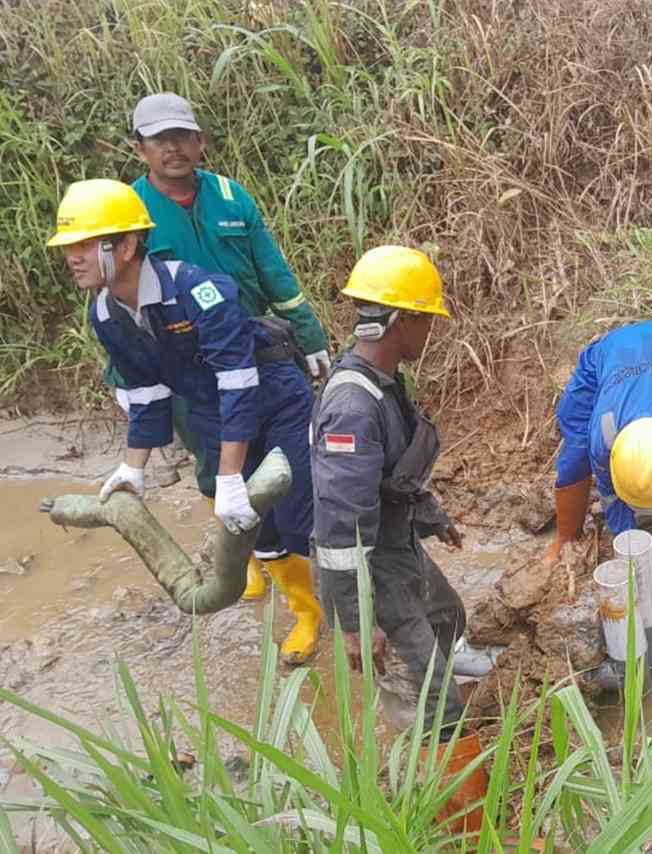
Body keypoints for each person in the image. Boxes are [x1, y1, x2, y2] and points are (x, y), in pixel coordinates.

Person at [47, 179, 319, 664]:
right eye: (70, 246)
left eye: (86, 243)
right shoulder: (107, 313)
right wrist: (133, 469)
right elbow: (146, 391)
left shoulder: (197, 290)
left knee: (299, 513)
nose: (74, 257)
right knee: (256, 523)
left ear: (127, 245)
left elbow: (238, 379)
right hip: (212, 409)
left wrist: (233, 475)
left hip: (273, 397)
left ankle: (344, 604)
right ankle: (307, 612)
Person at [127, 92, 329, 626]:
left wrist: (311, 338)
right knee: (218, 476)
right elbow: (116, 301)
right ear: (140, 149)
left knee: (290, 478)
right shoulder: (131, 210)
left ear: (201, 142)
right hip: (189, 376)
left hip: (258, 354)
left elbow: (274, 274)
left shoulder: (229, 195)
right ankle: (273, 583)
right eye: (158, 139)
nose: (172, 148)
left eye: (182, 137)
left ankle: (306, 597)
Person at [310, 245, 470, 740]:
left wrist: (433, 517)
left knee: (448, 614)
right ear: (400, 321)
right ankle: (425, 778)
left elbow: (388, 481)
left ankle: (426, 684)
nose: (431, 331)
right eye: (426, 319)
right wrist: (356, 622)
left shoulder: (383, 383)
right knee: (438, 705)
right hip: (369, 568)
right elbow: (339, 528)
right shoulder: (354, 409)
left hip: (395, 543)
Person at [544, 320, 652, 608]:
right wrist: (632, 558)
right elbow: (611, 499)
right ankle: (566, 539)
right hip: (609, 355)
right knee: (575, 455)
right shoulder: (603, 437)